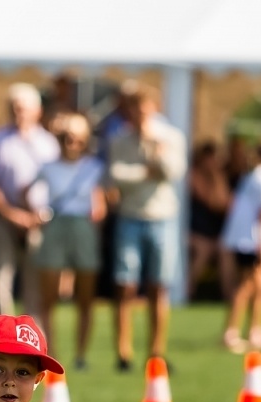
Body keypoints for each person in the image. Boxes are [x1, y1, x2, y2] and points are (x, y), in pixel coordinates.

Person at [105, 83, 187, 370]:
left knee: (158, 286)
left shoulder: (171, 137)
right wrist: (146, 173)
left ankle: (156, 351)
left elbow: (172, 172)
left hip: (162, 218)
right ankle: (123, 351)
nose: (138, 115)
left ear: (153, 109)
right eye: (133, 110)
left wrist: (156, 153)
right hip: (130, 217)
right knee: (125, 286)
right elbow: (117, 176)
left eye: (143, 109)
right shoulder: (120, 140)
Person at [0, 84, 60, 317]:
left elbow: (57, 185)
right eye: (14, 108)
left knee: (36, 287)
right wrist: (10, 213)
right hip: (3, 218)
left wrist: (37, 216)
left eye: (23, 108)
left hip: (40, 220)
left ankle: (33, 344)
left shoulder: (48, 143)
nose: (18, 113)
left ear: (37, 111)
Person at [28, 113, 105, 370]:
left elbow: (103, 198)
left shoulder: (94, 167)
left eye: (76, 139)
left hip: (83, 226)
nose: (71, 143)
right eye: (66, 138)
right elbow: (30, 191)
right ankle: (52, 353)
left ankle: (81, 355)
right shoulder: (47, 166)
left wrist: (99, 210)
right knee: (47, 297)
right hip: (56, 226)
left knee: (85, 297)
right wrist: (37, 210)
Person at [219, 134, 261, 355]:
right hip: (251, 239)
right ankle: (231, 333)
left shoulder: (253, 175)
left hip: (241, 237)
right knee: (247, 285)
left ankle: (256, 332)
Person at [186, 140, 231, 300]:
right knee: (203, 249)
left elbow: (226, 204)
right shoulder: (193, 175)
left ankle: (229, 296)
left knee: (225, 250)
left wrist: (217, 176)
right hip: (192, 232)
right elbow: (214, 203)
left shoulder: (218, 177)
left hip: (211, 233)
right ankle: (186, 291)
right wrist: (216, 177)